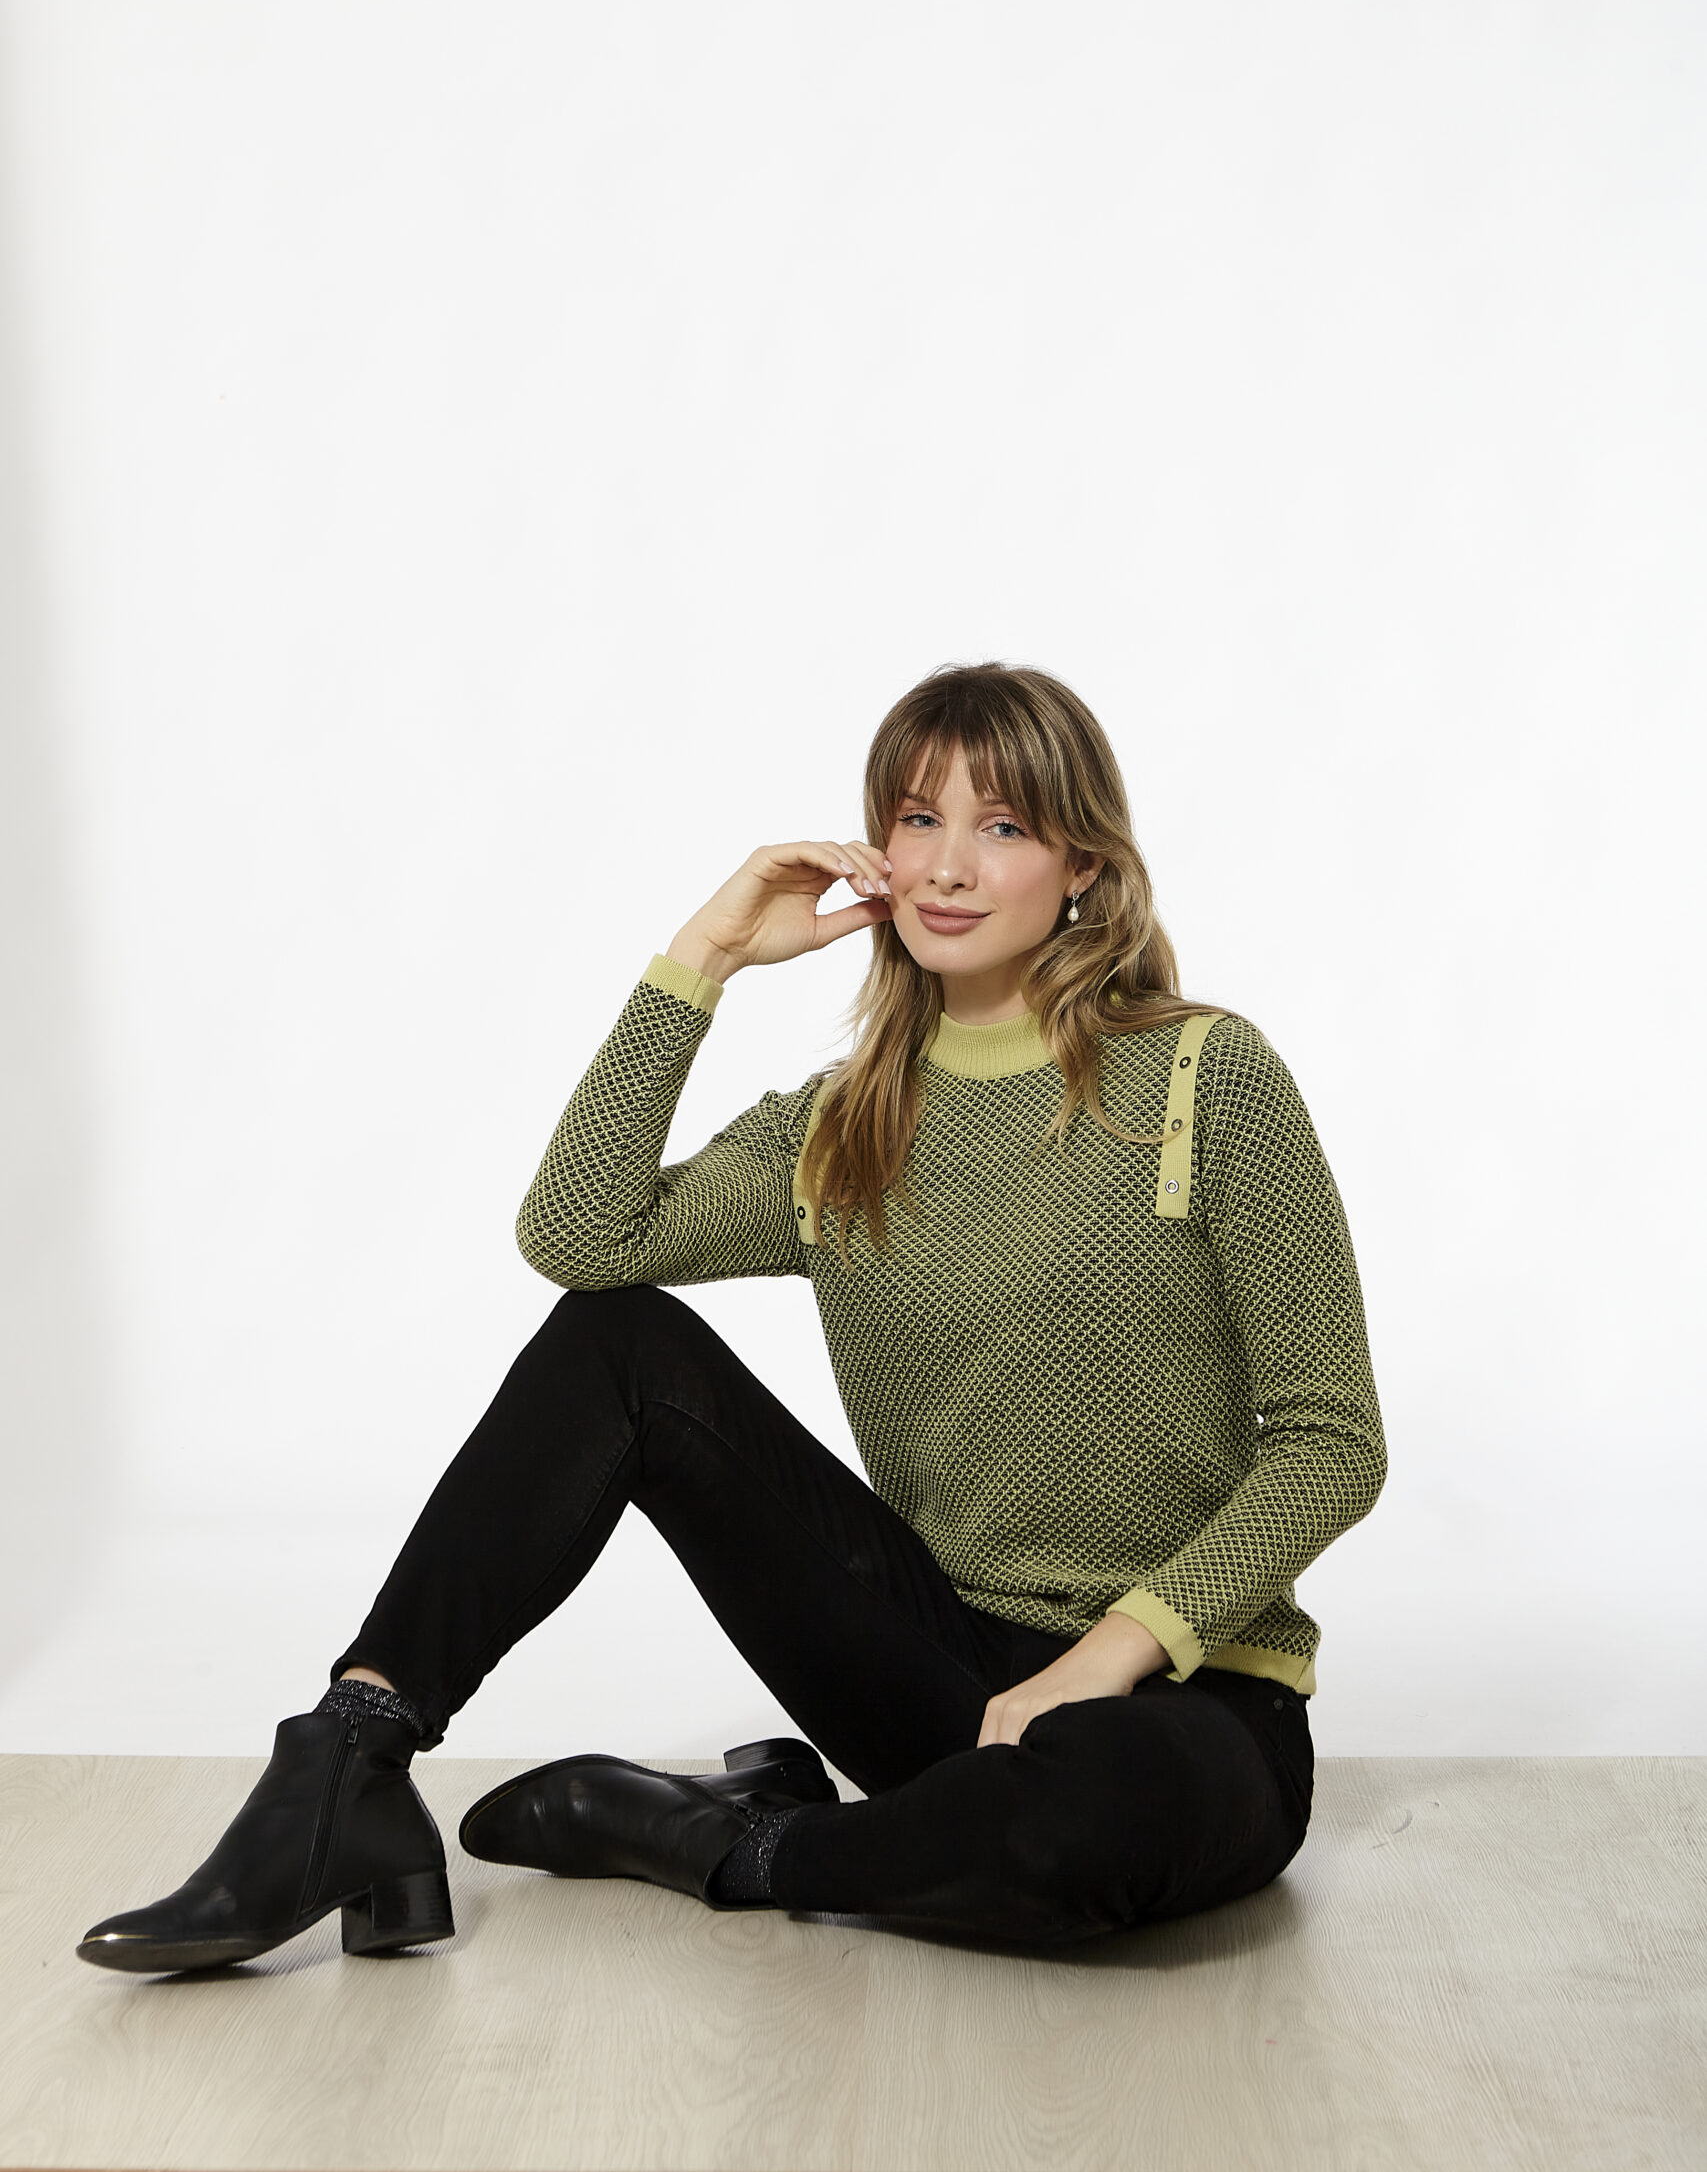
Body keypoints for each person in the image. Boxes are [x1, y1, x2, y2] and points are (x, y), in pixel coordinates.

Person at [77, 660, 1386, 1971]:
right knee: (618, 1345)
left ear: (1082, 865)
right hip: (944, 1676)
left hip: (1186, 1699)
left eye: (1001, 826)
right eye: (917, 819)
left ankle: (718, 1840)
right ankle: (344, 1767)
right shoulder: (845, 1125)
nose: (947, 865)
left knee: (1085, 1828)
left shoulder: (1205, 1079)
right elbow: (580, 1238)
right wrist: (704, 957)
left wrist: (1110, 1655)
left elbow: (1332, 1442)